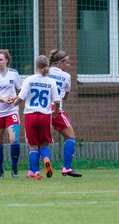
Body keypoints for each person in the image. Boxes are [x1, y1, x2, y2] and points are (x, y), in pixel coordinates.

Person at [13, 55, 60, 180]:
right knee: (44, 144)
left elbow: (21, 97)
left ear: (36, 67)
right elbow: (56, 101)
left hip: (31, 116)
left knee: (33, 145)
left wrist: (13, 102)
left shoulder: (29, 79)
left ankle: (35, 172)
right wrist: (55, 113)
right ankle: (45, 158)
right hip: (45, 116)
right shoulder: (51, 82)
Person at [0, 49, 22, 178]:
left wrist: (14, 98)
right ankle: (0, 171)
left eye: (1, 59)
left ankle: (14, 169)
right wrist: (2, 99)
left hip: (12, 111)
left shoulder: (14, 74)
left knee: (14, 139)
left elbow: (20, 91)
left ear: (7, 60)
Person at [48, 49, 82, 177]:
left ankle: (34, 170)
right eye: (67, 63)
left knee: (41, 141)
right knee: (71, 137)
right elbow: (65, 96)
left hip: (41, 110)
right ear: (60, 63)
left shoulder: (45, 71)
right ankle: (66, 168)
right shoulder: (66, 76)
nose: (68, 65)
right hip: (55, 109)